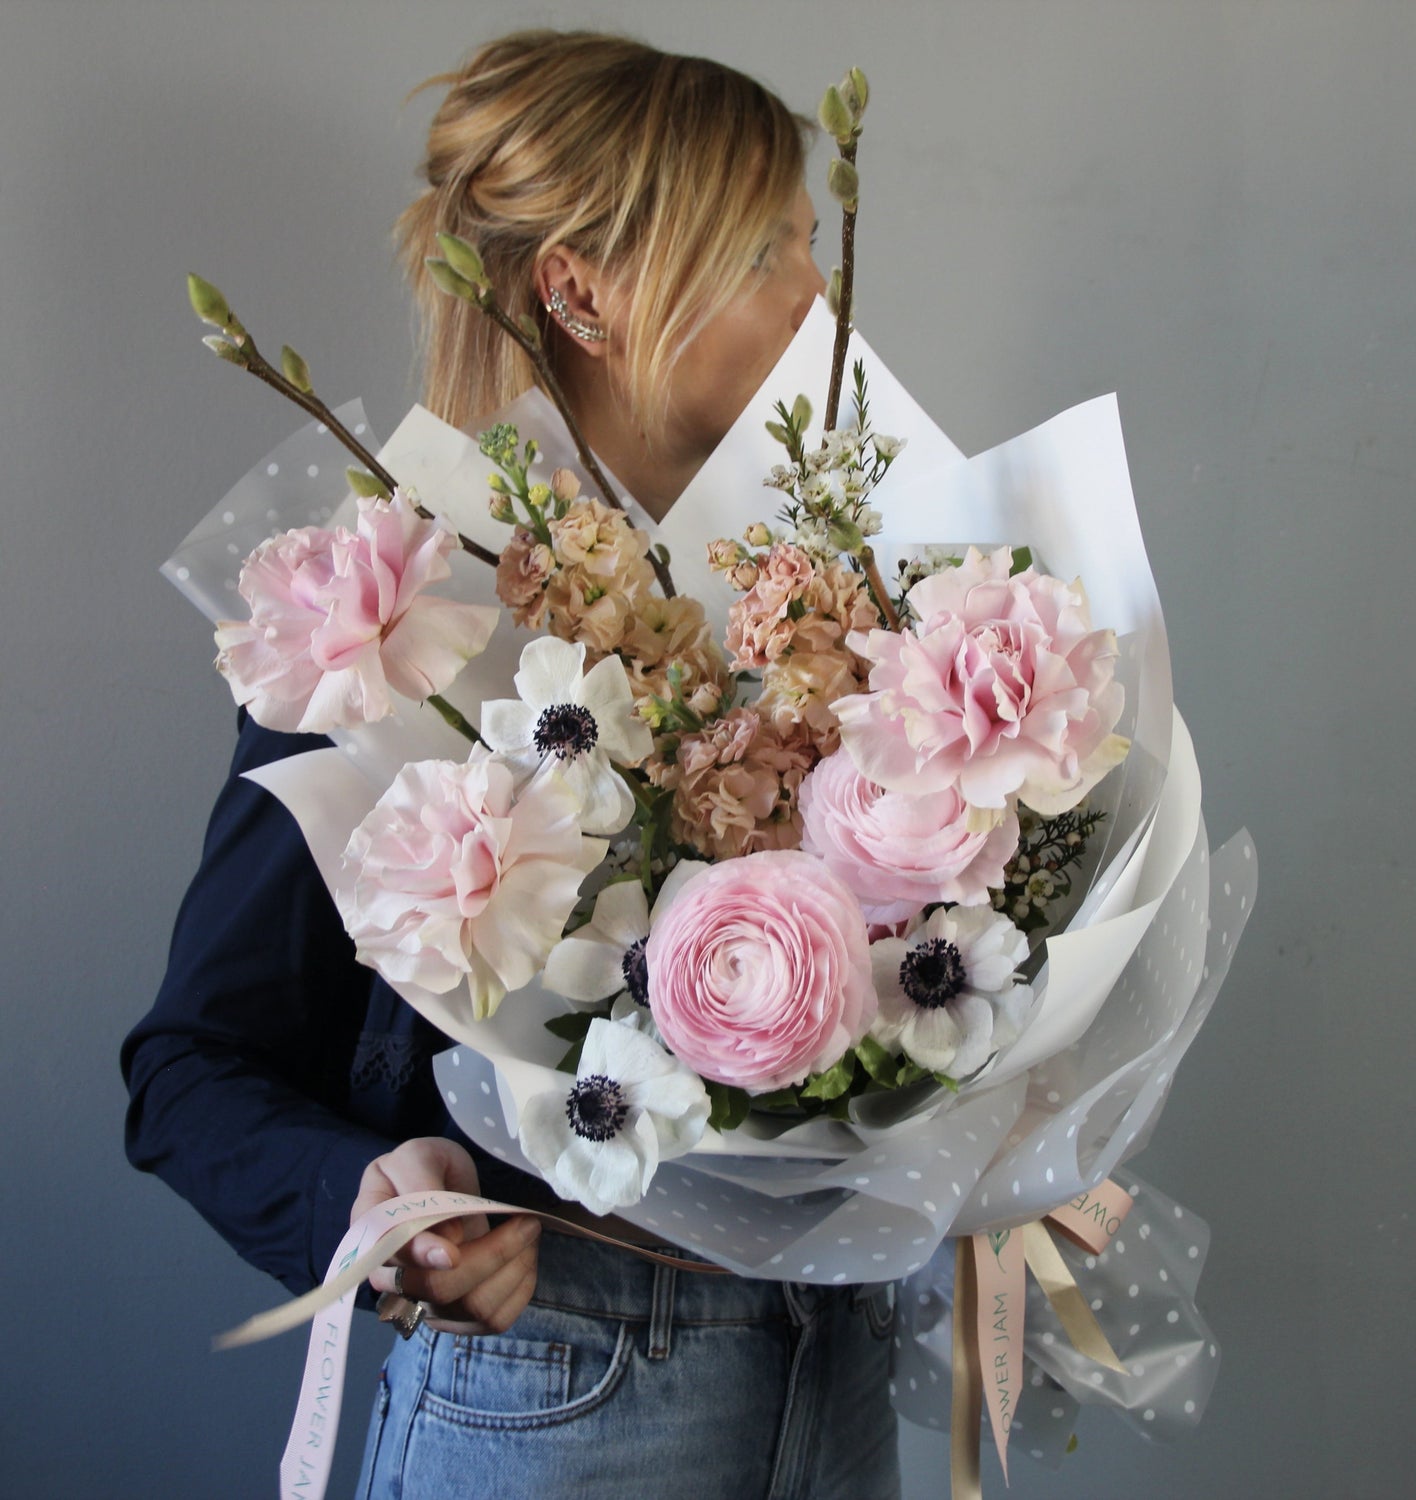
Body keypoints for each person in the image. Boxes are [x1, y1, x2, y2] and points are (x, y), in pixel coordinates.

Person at [123, 30, 901, 1500]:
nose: (824, 303)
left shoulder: (835, 603)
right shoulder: (396, 627)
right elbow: (191, 1066)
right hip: (561, 1384)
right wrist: (371, 1205)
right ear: (584, 293)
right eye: (762, 258)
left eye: (813, 244)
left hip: (828, 1376)